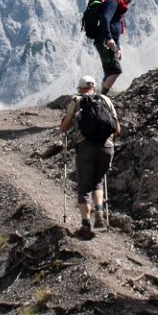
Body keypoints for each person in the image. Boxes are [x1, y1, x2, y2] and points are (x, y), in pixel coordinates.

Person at [57, 76, 118, 237]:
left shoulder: (77, 101)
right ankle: (99, 214)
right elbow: (117, 128)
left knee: (84, 187)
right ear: (93, 87)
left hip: (86, 147)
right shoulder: (105, 100)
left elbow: (63, 127)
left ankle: (85, 226)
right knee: (97, 182)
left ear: (80, 89)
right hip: (107, 147)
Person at [88, 0, 137, 94]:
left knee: (109, 71)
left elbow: (116, 31)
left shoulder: (118, 6)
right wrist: (109, 38)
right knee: (115, 70)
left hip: (106, 41)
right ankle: (102, 96)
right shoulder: (113, 2)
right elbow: (105, 18)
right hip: (105, 41)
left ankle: (101, 96)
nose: (130, 0)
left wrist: (117, 48)